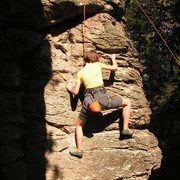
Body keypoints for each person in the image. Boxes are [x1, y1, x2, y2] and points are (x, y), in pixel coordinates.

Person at [66, 50, 133, 158]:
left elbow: (76, 92)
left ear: (85, 60)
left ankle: (79, 150)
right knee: (127, 103)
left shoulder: (80, 73)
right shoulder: (98, 65)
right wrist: (113, 59)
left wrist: (70, 89)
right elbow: (114, 68)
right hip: (102, 98)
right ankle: (125, 129)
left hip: (89, 101)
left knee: (78, 126)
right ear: (95, 58)